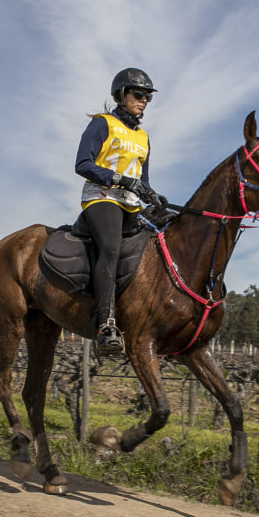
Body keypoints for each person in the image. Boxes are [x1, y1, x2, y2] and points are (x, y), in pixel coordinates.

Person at [74, 68, 167, 353]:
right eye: (138, 95)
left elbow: (144, 179)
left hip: (131, 204)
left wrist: (151, 194)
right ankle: (105, 324)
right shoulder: (102, 124)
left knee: (163, 235)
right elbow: (83, 164)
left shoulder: (143, 138)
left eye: (147, 98)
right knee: (111, 249)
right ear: (121, 94)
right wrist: (119, 179)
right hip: (101, 197)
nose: (143, 101)